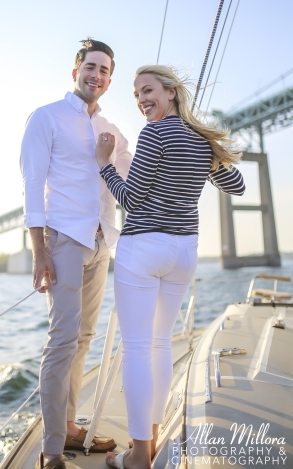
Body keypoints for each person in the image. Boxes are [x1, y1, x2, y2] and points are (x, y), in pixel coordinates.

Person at [95, 65, 245, 469]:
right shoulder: (201, 138)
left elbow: (131, 199)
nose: (142, 99)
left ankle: (138, 456)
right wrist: (206, 158)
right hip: (184, 253)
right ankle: (152, 441)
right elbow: (238, 186)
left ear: (171, 93)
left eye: (148, 90)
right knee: (161, 344)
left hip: (144, 249)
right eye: (137, 94)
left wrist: (104, 163)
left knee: (141, 348)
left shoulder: (155, 133)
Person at [20, 39, 132, 469]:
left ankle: (67, 426)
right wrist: (38, 251)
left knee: (83, 340)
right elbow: (32, 186)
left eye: (104, 70)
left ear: (108, 79)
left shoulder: (112, 130)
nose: (97, 75)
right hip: (63, 240)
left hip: (101, 243)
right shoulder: (46, 117)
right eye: (90, 66)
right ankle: (50, 453)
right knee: (62, 342)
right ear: (75, 71)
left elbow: (132, 174)